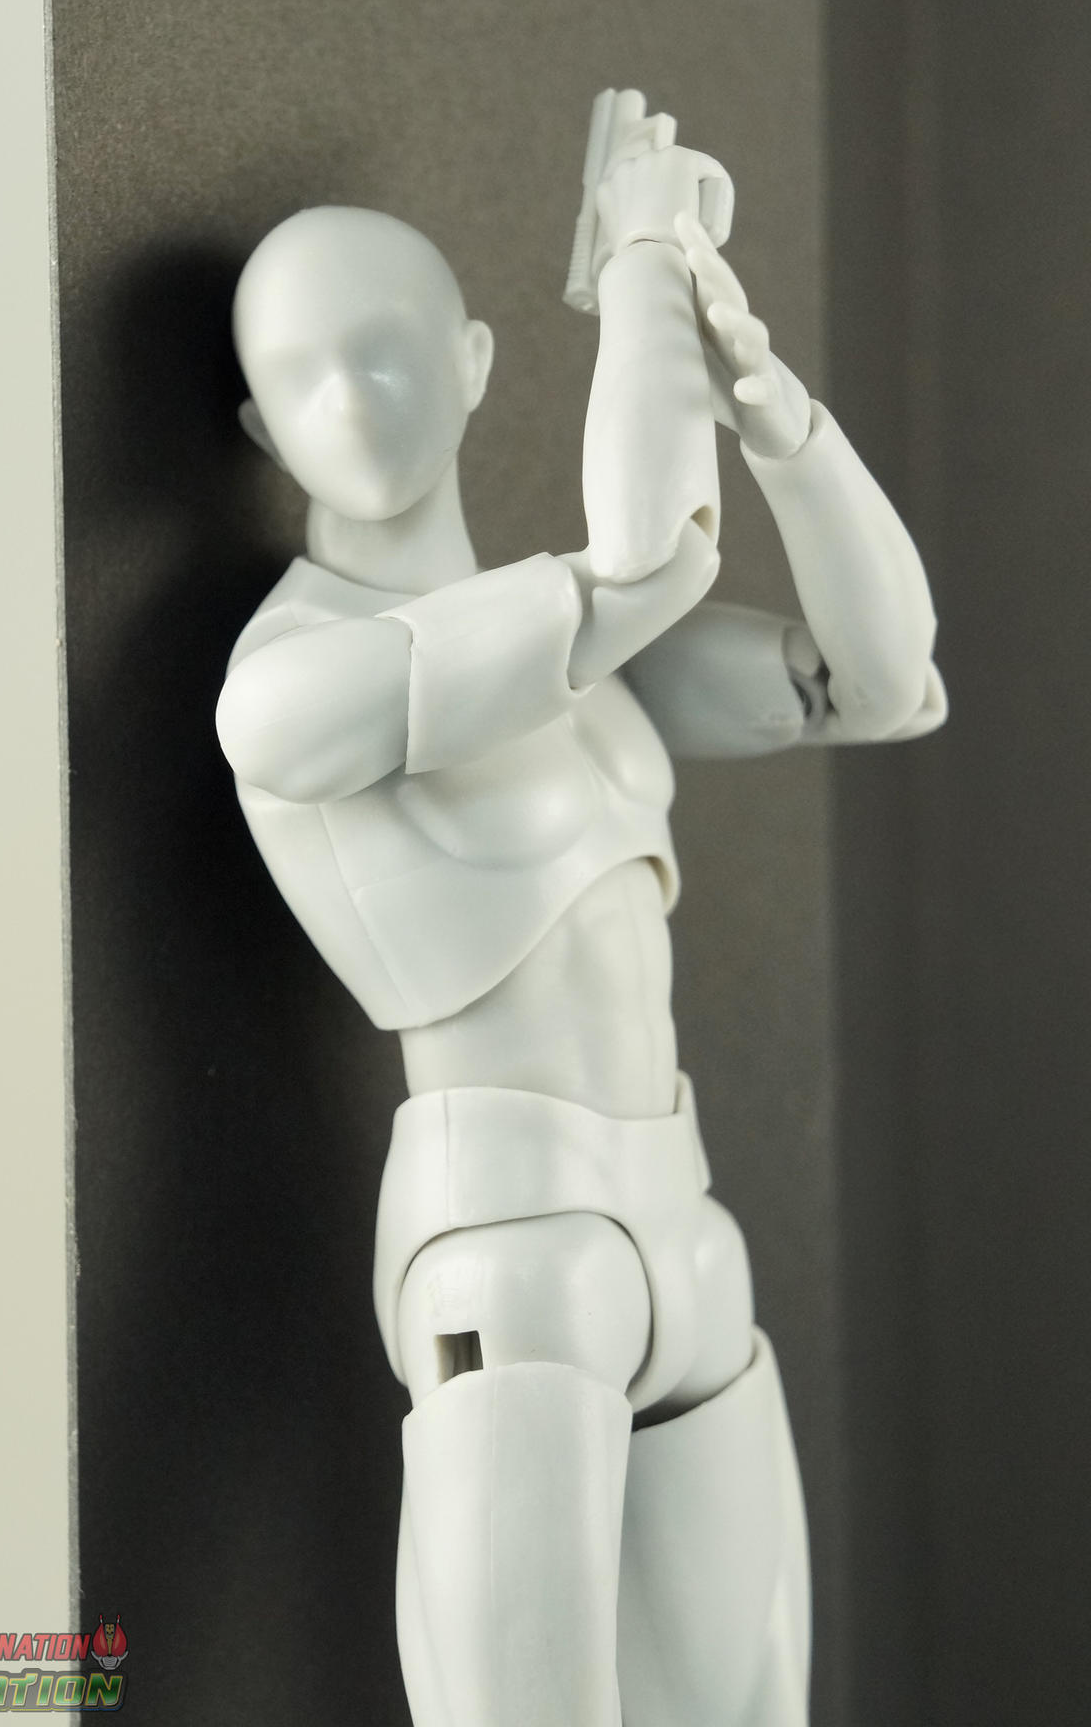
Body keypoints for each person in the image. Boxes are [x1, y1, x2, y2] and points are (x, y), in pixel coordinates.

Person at [215, 132, 944, 1727]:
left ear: (476, 363)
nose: (355, 402)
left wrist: (772, 412)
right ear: (262, 426)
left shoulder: (585, 661)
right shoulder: (287, 690)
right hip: (511, 1244)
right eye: (304, 377)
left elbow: (887, 681)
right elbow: (639, 564)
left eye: (389, 351)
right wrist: (639, 268)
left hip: (682, 1219)